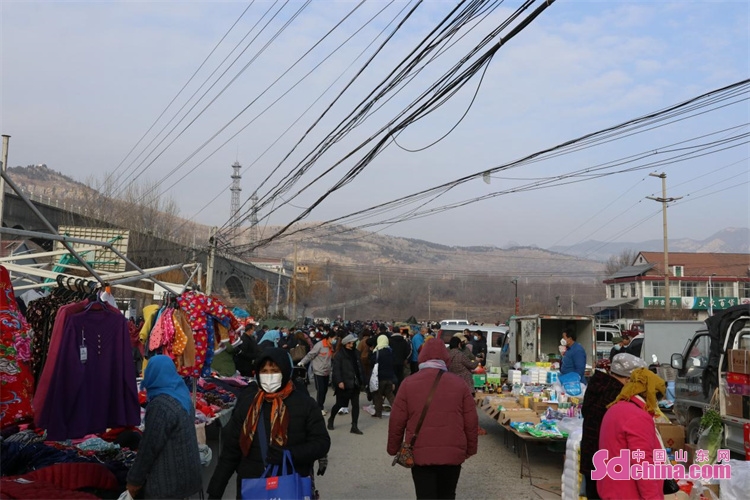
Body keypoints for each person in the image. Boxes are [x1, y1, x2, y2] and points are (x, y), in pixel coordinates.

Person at [207, 348, 331, 499]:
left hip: (289, 484)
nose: (269, 375)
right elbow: (231, 451)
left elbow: (321, 442)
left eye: (274, 370)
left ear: (285, 371)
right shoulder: (248, 404)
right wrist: (215, 492)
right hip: (253, 486)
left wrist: (291, 454)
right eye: (264, 371)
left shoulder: (305, 404)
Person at [387, 339, 478, 500]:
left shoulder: (408, 384)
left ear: (422, 357)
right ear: (446, 358)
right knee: (448, 495)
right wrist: (470, 448)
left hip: (420, 454)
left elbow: (397, 420)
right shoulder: (459, 384)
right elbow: (470, 420)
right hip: (452, 455)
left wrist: (393, 448)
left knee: (425, 496)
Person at [126, 355, 202, 499]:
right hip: (188, 474)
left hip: (168, 481)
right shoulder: (181, 394)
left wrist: (134, 480)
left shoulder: (160, 404)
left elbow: (149, 447)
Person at [580, 353, 648, 499]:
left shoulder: (598, 385)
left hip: (590, 457)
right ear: (628, 379)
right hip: (609, 464)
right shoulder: (617, 397)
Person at [597, 367, 667, 500]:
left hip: (611, 490)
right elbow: (642, 464)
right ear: (650, 394)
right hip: (629, 493)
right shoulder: (638, 416)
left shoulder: (615, 408)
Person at [328, 333, 364, 434]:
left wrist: (362, 380)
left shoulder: (356, 353)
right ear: (345, 343)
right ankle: (331, 419)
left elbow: (360, 368)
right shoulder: (340, 355)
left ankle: (354, 426)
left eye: (353, 342)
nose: (352, 344)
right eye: (350, 343)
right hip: (344, 384)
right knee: (340, 404)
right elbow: (336, 370)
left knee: (355, 405)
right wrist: (339, 381)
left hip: (355, 383)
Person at [298, 333, 336, 416]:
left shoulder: (330, 346)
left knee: (325, 390)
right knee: (320, 390)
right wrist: (302, 362)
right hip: (318, 371)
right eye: (334, 338)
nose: (334, 340)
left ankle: (321, 405)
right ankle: (319, 408)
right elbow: (310, 355)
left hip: (326, 371)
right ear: (329, 337)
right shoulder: (320, 345)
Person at [370, 334, 397, 418]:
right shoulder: (390, 352)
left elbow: (372, 363)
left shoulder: (377, 352)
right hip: (389, 377)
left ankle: (378, 413)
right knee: (390, 395)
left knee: (378, 395)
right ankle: (397, 411)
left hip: (380, 377)